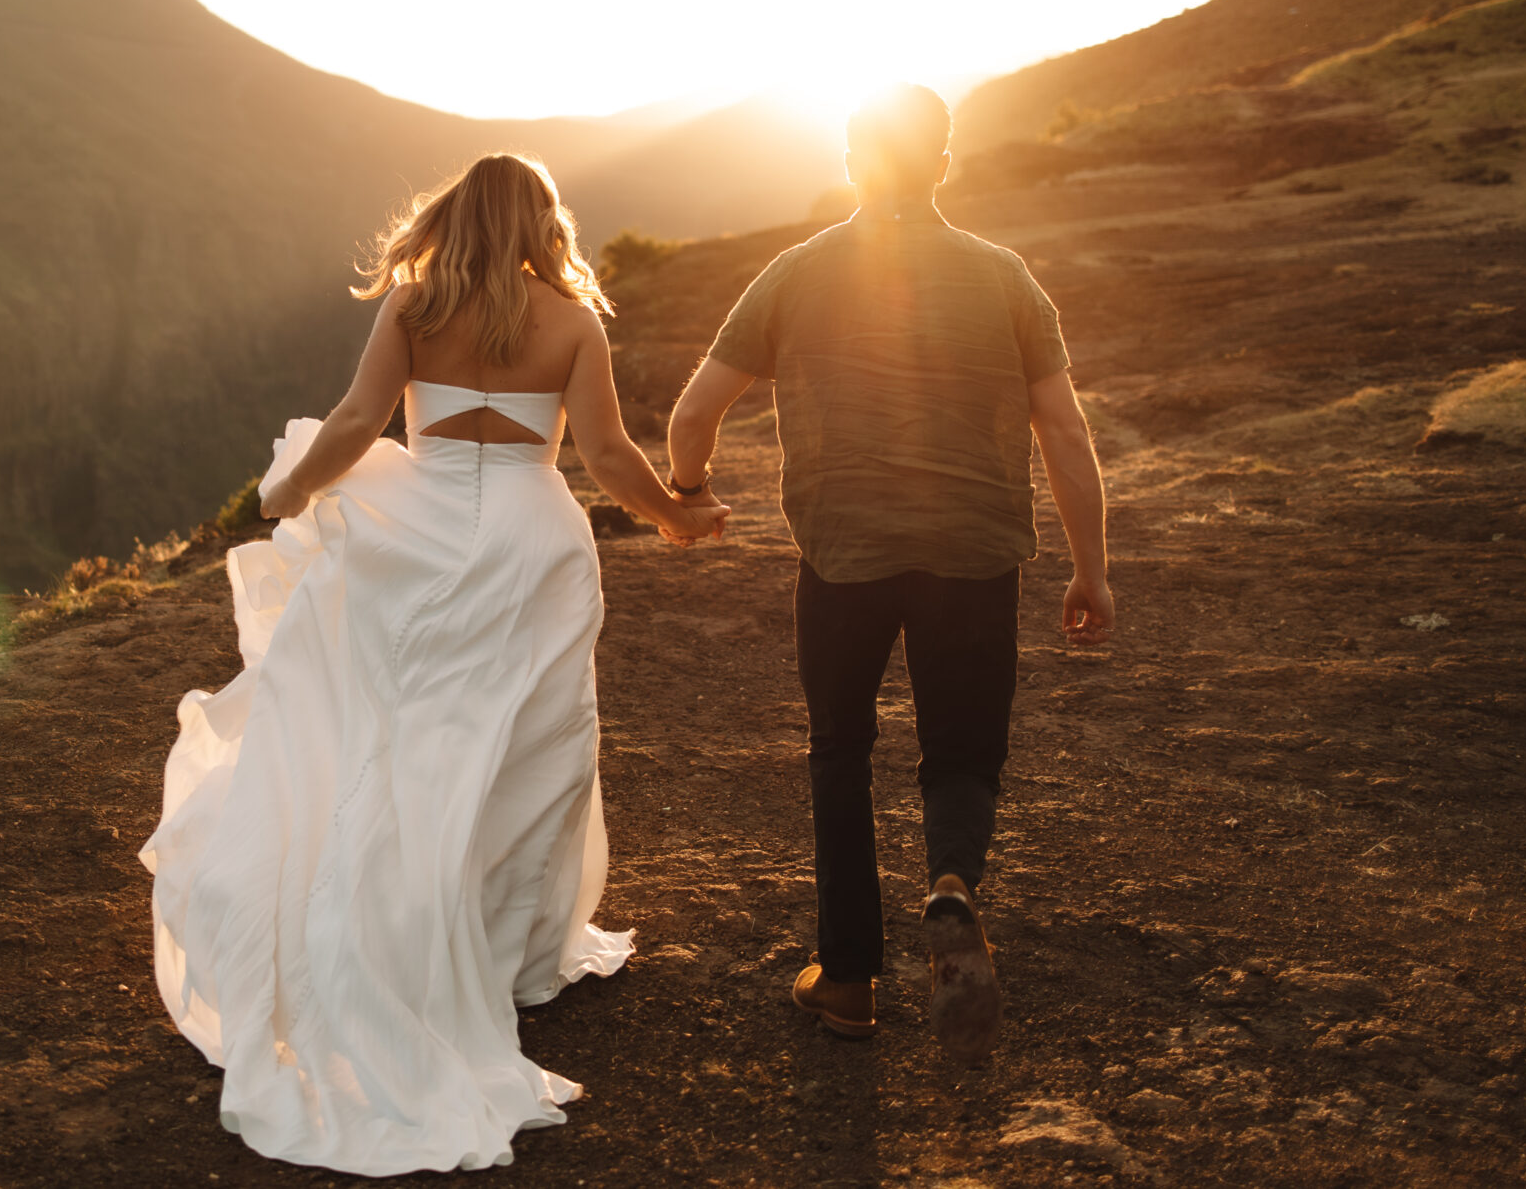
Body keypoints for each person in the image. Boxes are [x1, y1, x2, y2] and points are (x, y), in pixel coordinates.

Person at [139, 153, 729, 1175]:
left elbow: (361, 422)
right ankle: (509, 954)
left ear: (453, 217)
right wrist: (671, 515)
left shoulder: (415, 307)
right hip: (533, 540)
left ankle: (402, 924)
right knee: (535, 744)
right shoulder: (571, 321)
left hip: (422, 535)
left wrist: (280, 496)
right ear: (543, 225)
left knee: (404, 731)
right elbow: (605, 454)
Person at [662, 84, 1112, 1062]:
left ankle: (850, 980)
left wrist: (690, 496)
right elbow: (1067, 431)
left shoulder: (792, 272)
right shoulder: (1004, 277)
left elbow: (694, 416)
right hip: (975, 555)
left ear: (854, 163)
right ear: (943, 165)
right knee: (959, 753)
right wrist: (1091, 570)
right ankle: (951, 885)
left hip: (843, 559)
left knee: (839, 747)